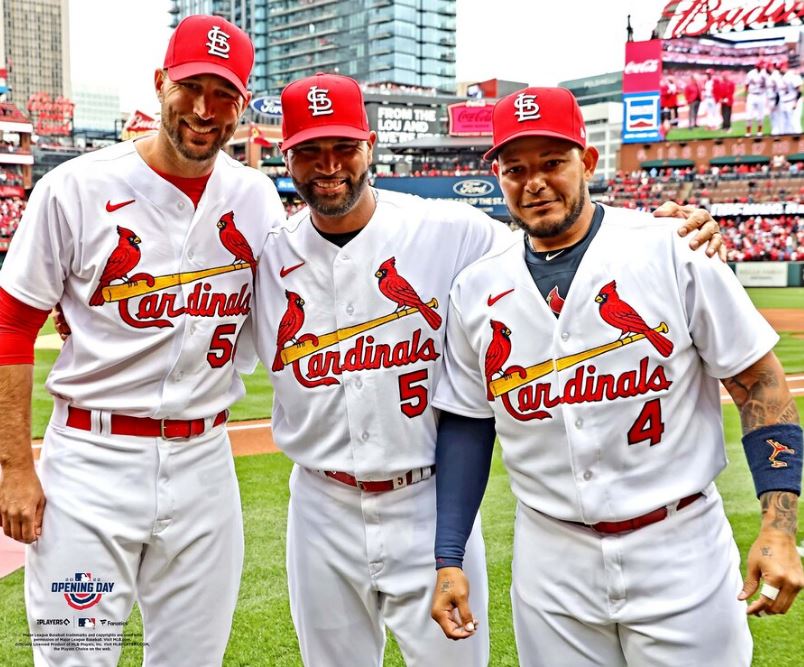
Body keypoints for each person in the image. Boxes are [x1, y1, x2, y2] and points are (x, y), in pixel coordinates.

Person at [250, 74, 723, 666]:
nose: (328, 165)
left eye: (343, 147)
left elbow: (559, 235)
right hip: (318, 504)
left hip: (426, 496)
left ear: (369, 145)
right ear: (283, 155)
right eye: (308, 151)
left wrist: (672, 231)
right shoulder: (264, 257)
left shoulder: (453, 230)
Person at [429, 87, 804, 666]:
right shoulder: (476, 288)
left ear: (588, 160)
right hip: (550, 560)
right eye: (515, 169)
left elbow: (759, 384)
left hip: (679, 548)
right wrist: (448, 555)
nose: (534, 183)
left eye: (552, 163)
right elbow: (469, 427)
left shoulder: (671, 247)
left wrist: (779, 527)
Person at [0, 15, 285, 666]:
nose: (205, 109)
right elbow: (12, 321)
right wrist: (15, 466)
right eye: (191, 87)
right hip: (90, 468)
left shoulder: (257, 199)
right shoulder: (74, 188)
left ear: (242, 107)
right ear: (160, 84)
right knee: (76, 657)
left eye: (224, 95)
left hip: (205, 464)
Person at [745, 60, 768, 136]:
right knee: (749, 115)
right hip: (752, 95)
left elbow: (768, 85)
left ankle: (759, 132)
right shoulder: (751, 73)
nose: (761, 67)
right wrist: (746, 95)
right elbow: (746, 85)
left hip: (761, 95)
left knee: (761, 115)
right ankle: (748, 133)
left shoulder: (765, 74)